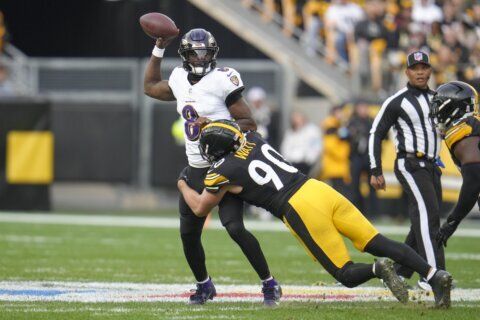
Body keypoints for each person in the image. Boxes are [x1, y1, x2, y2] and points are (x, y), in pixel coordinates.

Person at [177, 119, 453, 308]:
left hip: (298, 207)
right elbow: (236, 134)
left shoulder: (222, 171)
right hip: (317, 188)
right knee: (378, 241)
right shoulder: (253, 138)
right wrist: (211, 124)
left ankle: (376, 268)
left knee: (343, 273)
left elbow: (200, 206)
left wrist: (181, 182)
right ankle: (434, 274)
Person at [143, 28, 281, 306]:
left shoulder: (222, 80)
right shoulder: (180, 78)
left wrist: (216, 125)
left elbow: (249, 124)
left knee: (235, 228)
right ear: (185, 54)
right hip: (195, 165)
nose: (201, 56)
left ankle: (269, 284)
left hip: (223, 165)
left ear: (213, 53)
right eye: (195, 51)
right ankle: (204, 285)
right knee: (188, 235)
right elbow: (149, 87)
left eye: (205, 51)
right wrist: (159, 48)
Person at [368, 50, 444, 291]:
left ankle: (399, 272)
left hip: (433, 165)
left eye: (424, 67)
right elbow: (376, 133)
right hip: (410, 163)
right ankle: (434, 276)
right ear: (407, 72)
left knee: (422, 222)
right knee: (428, 217)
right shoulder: (397, 100)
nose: (420, 72)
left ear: (430, 70)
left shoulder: (438, 98)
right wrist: (375, 169)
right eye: (415, 68)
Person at [429, 81, 480, 247]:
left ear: (454, 108)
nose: (436, 112)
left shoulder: (463, 130)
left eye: (439, 106)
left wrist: (452, 221)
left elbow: (474, 179)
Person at [347, 102, 378, 217]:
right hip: (356, 157)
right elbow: (344, 135)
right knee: (354, 186)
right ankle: (357, 211)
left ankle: (372, 213)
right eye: (361, 108)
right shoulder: (352, 121)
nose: (363, 110)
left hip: (370, 157)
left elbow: (383, 136)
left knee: (373, 186)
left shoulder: (372, 121)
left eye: (365, 107)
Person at [280, 110, 322, 176]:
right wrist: (288, 160)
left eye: (298, 117)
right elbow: (285, 147)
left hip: (306, 164)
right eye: (294, 118)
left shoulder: (312, 130)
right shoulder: (290, 132)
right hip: (293, 164)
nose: (296, 120)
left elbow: (316, 146)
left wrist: (310, 160)